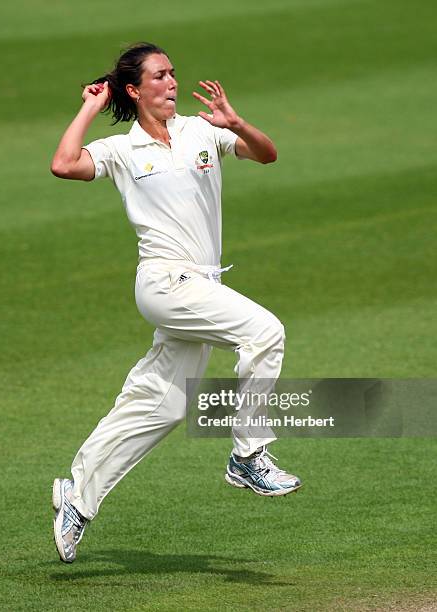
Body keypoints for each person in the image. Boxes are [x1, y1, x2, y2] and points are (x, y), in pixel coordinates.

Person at [50, 42, 301, 564]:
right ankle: (248, 454)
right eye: (159, 76)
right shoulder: (121, 150)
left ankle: (77, 496)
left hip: (200, 284)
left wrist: (236, 123)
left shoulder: (201, 131)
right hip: (165, 283)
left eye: (173, 74)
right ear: (136, 90)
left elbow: (267, 154)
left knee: (161, 403)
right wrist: (91, 106)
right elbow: (63, 163)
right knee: (264, 332)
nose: (171, 82)